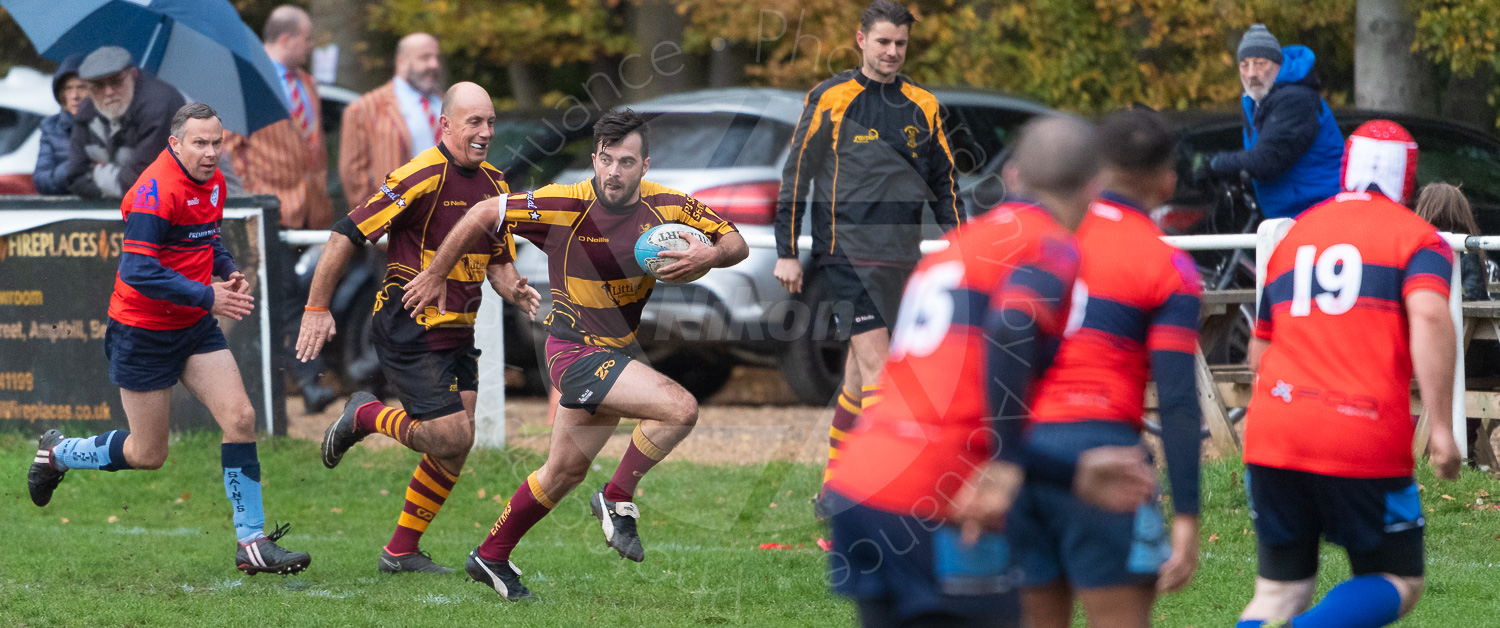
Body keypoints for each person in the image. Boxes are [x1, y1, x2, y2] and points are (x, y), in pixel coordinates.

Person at [401, 109, 749, 600]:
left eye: (626, 162)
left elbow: (735, 242)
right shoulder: (564, 201)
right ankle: (617, 497)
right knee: (680, 408)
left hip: (619, 349)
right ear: (594, 159)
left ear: (645, 165)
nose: (613, 171)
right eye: (606, 160)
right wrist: (438, 272)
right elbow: (483, 212)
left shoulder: (669, 205)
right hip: (572, 349)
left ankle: (491, 555)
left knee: (562, 472)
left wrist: (709, 255)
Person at [825, 117, 1157, 628]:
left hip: (863, 483)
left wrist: (1068, 474)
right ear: (1095, 188)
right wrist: (1005, 465)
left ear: (1015, 177)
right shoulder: (1050, 244)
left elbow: (961, 401)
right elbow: (1013, 326)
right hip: (934, 496)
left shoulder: (961, 243)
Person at [27, 103, 310, 575]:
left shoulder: (214, 182)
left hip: (193, 325)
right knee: (147, 453)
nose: (210, 152)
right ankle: (56, 454)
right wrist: (208, 297)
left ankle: (251, 542)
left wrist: (228, 270)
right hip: (143, 331)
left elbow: (206, 238)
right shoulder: (153, 193)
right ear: (174, 144)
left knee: (240, 417)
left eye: (217, 142)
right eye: (200, 143)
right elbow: (138, 270)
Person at [1236, 120, 1462, 628]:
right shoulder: (1419, 239)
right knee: (1400, 578)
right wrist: (1443, 428)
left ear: (1345, 167)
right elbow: (1428, 314)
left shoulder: (1295, 234)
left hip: (1275, 430)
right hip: (1358, 428)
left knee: (1278, 593)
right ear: (1409, 180)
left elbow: (1258, 349)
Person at [295, 83, 526, 575]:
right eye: (474, 123)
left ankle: (400, 551)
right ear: (445, 126)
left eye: (489, 122)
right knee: (448, 437)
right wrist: (318, 306)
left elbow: (500, 265)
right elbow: (345, 233)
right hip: (410, 326)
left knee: (456, 445)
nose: (485, 133)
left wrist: (518, 291)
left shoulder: (497, 187)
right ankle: (366, 415)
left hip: (458, 331)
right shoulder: (419, 175)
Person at [1010, 109, 1202, 628]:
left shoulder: (1039, 238)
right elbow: (1180, 400)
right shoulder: (1170, 267)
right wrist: (1187, 515)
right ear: (1168, 181)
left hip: (1023, 453)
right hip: (1107, 453)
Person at [771, 0, 965, 508]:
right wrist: (787, 251)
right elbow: (797, 173)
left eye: (900, 43)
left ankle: (834, 491)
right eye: (883, 41)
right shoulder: (831, 97)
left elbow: (944, 183)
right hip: (844, 255)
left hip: (900, 256)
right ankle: (887, 493)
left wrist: (961, 247)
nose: (892, 52)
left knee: (859, 378)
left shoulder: (922, 104)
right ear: (861, 40)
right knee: (886, 373)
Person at [1206, 24, 1343, 220]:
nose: (1251, 73)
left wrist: (1217, 164)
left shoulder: (1295, 99)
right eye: (1244, 65)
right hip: (1288, 217)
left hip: (1318, 215)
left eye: (1260, 63)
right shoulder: (1254, 101)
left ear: (1279, 65)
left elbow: (1265, 161)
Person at [223, 4, 333, 230]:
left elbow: (314, 146)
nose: (311, 46)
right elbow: (228, 149)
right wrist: (249, 197)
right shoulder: (247, 80)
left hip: (313, 214)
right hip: (267, 211)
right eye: (307, 38)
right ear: (285, 39)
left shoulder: (308, 84)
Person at [340, 32, 446, 209]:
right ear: (401, 61)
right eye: (425, 58)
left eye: (436, 57)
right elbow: (354, 178)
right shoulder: (365, 108)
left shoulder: (446, 102)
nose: (434, 64)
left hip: (449, 215)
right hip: (398, 219)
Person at [64, 46, 186, 199]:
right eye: (99, 86)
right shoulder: (86, 113)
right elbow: (75, 178)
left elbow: (148, 182)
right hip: (123, 212)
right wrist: (121, 184)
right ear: (88, 89)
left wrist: (101, 176)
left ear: (133, 75)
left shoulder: (160, 105)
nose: (109, 92)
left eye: (116, 81)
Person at [1416, 183, 1489, 301]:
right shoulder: (1466, 249)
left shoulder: (1416, 248)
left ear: (1423, 210)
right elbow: (1476, 297)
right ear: (1461, 212)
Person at [33, 54, 87, 195]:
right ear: (60, 93)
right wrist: (70, 169)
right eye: (69, 88)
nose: (75, 95)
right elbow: (41, 180)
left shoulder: (109, 124)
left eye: (81, 87)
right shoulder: (51, 128)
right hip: (65, 210)